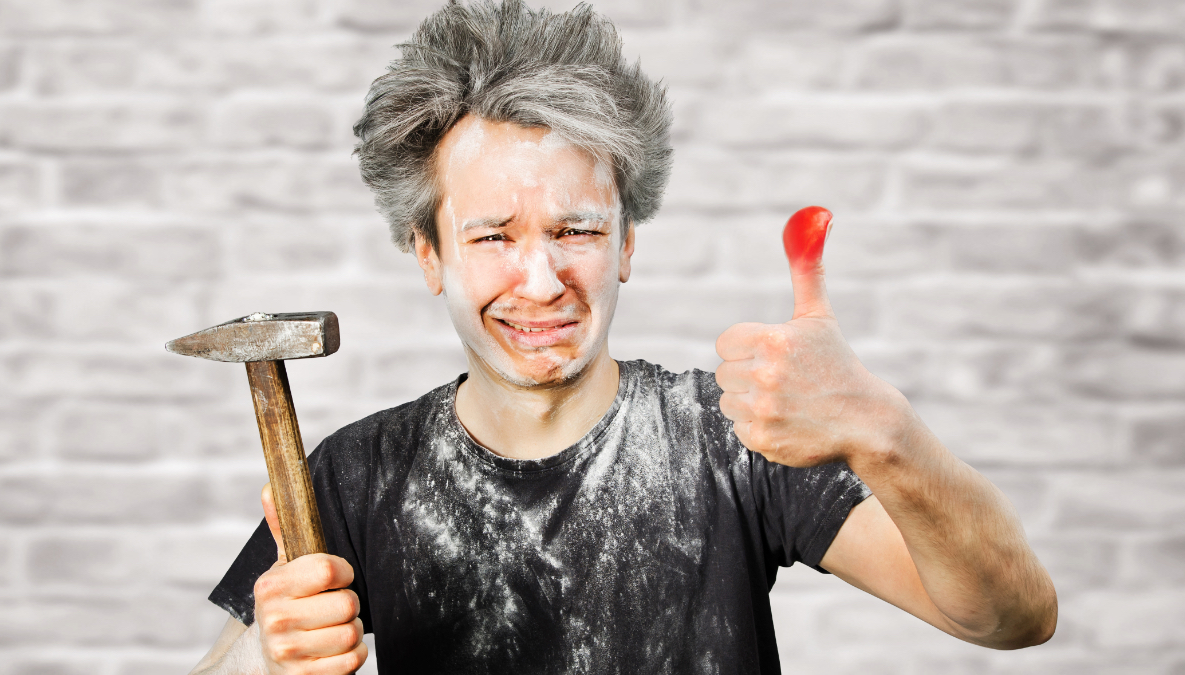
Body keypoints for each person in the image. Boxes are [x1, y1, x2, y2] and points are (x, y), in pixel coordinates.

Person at [188, 1, 1057, 673]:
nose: (540, 280)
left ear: (627, 243)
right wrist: (269, 654)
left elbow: (1012, 616)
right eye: (493, 235)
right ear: (429, 253)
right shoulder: (354, 477)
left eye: (577, 230)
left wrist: (887, 433)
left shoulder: (734, 438)